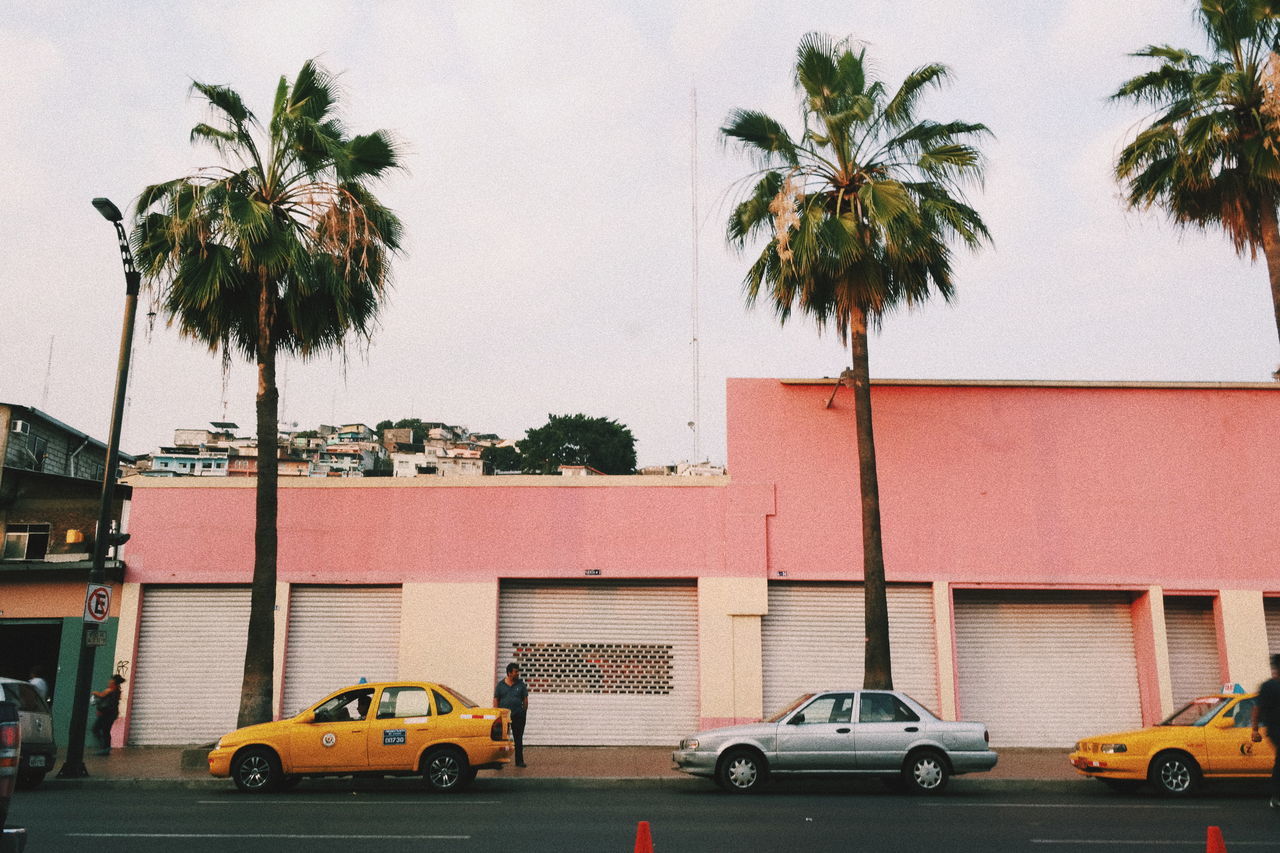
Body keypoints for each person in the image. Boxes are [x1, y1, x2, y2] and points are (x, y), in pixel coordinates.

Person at [1251, 653, 1280, 808]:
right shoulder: (1268, 686)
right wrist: (1254, 730)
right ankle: (1276, 795)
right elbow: (1257, 708)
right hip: (1276, 729)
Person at [494, 662, 529, 767]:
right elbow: (496, 699)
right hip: (504, 718)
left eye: (518, 671)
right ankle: (499, 762)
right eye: (516, 672)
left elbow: (525, 700)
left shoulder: (521, 685)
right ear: (509, 673)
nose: (518, 673)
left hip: (518, 716)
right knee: (501, 740)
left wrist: (523, 712)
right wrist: (497, 713)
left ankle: (519, 761)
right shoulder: (500, 685)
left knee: (518, 739)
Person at [91, 674, 126, 756]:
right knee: (104, 730)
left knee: (99, 729)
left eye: (111, 681)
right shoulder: (115, 691)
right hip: (109, 714)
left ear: (114, 683)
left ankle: (104, 748)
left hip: (107, 714)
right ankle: (105, 748)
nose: (109, 682)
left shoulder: (111, 691)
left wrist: (96, 693)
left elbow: (102, 696)